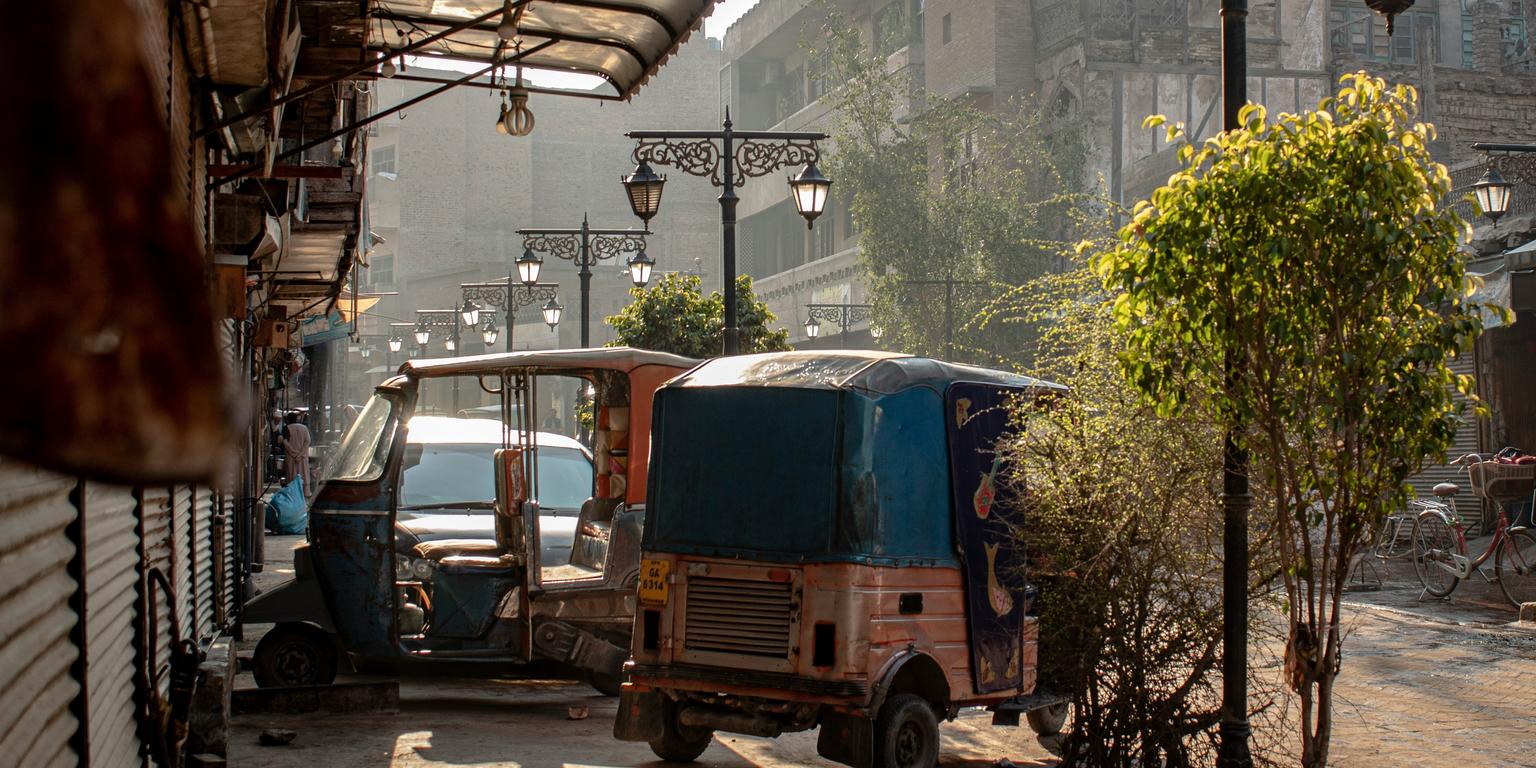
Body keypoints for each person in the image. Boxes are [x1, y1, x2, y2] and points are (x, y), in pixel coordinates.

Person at [278, 412, 312, 493]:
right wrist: (300, 454)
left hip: (291, 458)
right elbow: (307, 441)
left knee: (292, 477)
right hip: (302, 458)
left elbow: (285, 443)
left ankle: (293, 496)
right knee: (303, 476)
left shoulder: (286, 428)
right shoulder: (304, 428)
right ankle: (304, 495)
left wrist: (294, 453)